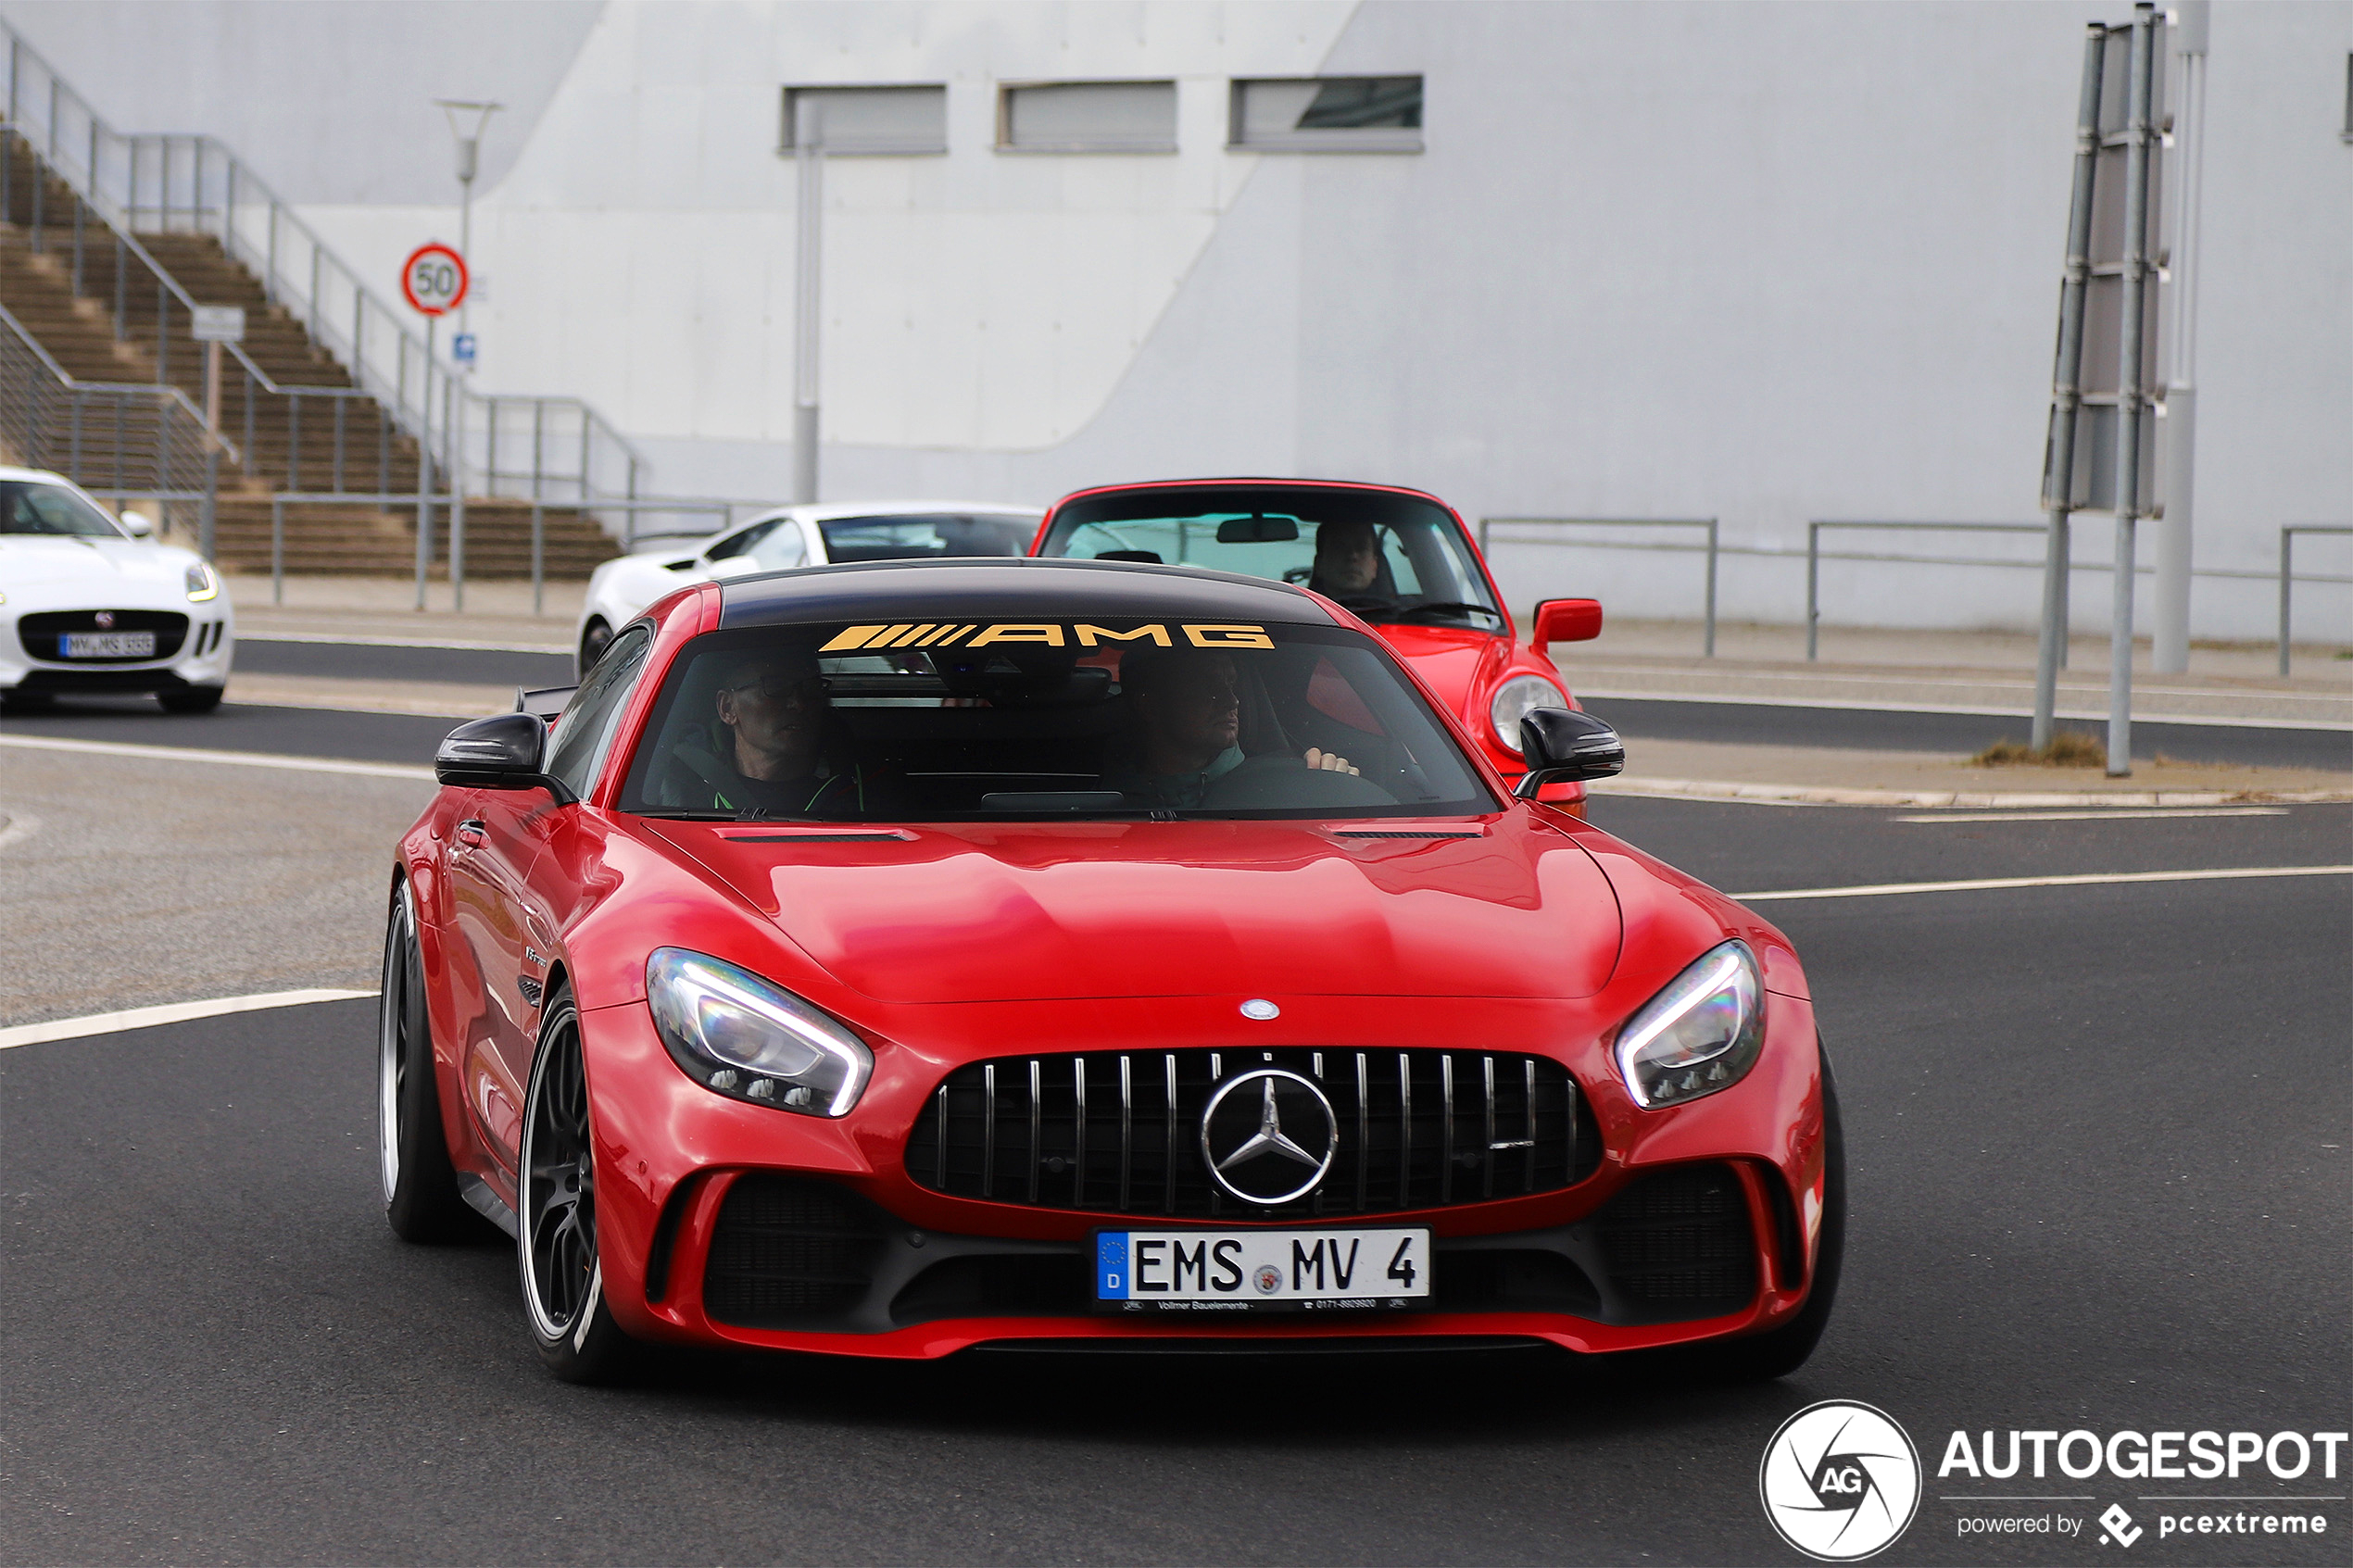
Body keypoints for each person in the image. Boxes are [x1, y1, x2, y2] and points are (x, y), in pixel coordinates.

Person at [1104, 645, 1357, 809]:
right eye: (1207, 688)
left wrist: (1335, 789)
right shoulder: (1103, 800)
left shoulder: (1285, 787)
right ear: (1149, 706)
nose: (1231, 700)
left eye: (1232, 685)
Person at [662, 646, 873, 816]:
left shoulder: (869, 792)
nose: (799, 704)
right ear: (727, 708)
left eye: (811, 689)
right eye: (777, 688)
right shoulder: (680, 791)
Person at [1306, 518, 1383, 599]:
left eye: (1362, 548)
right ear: (1319, 564)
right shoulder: (1298, 610)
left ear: (1375, 566)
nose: (1352, 556)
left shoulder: (1394, 610)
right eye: (1340, 547)